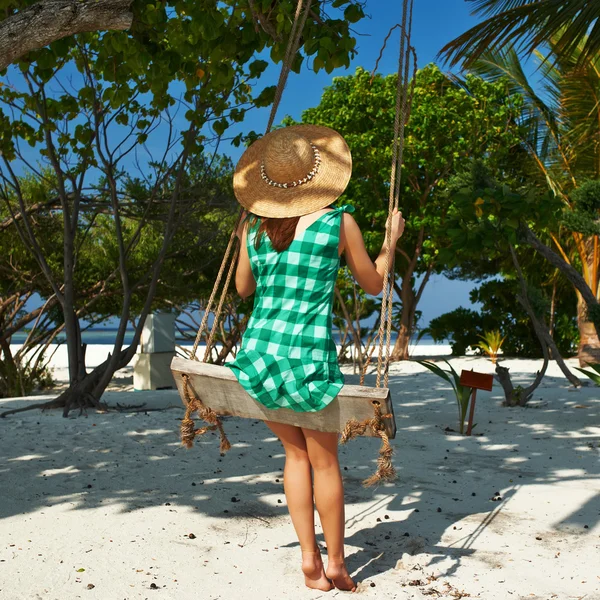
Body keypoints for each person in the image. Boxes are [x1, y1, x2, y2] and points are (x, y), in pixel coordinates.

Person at [228, 125, 404, 592]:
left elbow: (243, 290)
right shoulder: (337, 223)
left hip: (259, 356)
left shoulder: (254, 228)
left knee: (293, 454)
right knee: (324, 463)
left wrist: (257, 253)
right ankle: (337, 565)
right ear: (319, 178)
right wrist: (391, 241)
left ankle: (310, 560)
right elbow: (374, 283)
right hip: (305, 359)